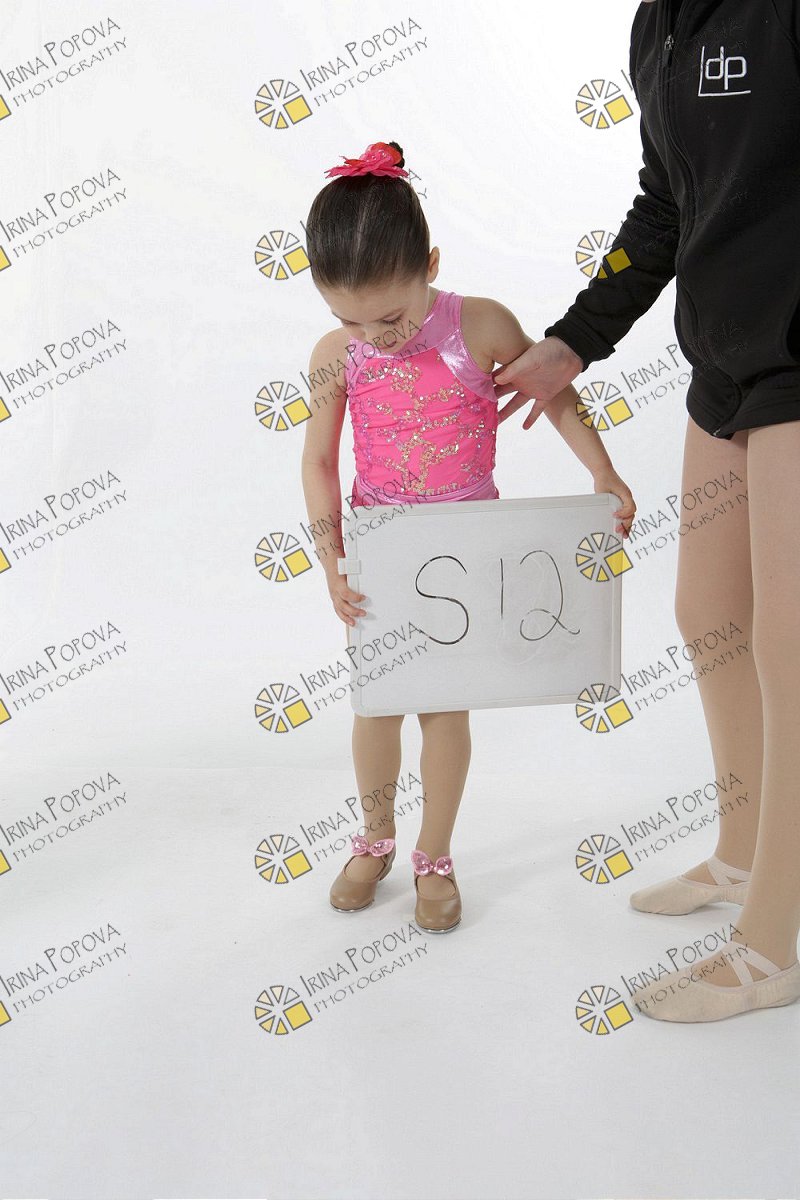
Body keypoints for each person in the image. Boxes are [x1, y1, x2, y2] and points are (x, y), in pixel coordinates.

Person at [494, 0, 800, 1021]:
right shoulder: (657, 22)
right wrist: (573, 342)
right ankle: (743, 854)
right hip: (725, 369)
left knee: (789, 645)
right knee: (708, 616)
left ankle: (772, 943)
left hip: (796, 367)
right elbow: (664, 206)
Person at [300, 140, 636, 934]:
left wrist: (603, 469)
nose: (373, 336)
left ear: (431, 265)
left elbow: (554, 396)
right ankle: (375, 837)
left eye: (390, 318)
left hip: (468, 545)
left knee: (446, 709)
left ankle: (435, 855)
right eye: (347, 318)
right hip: (382, 553)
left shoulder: (479, 325)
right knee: (378, 705)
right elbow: (318, 460)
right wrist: (332, 559)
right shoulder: (336, 355)